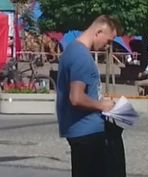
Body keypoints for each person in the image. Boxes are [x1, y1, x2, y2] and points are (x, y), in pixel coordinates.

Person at [56, 15, 125, 177]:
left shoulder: (71, 50)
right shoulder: (82, 57)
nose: (108, 46)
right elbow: (76, 97)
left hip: (78, 130)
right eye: (108, 41)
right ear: (98, 31)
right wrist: (102, 106)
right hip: (88, 133)